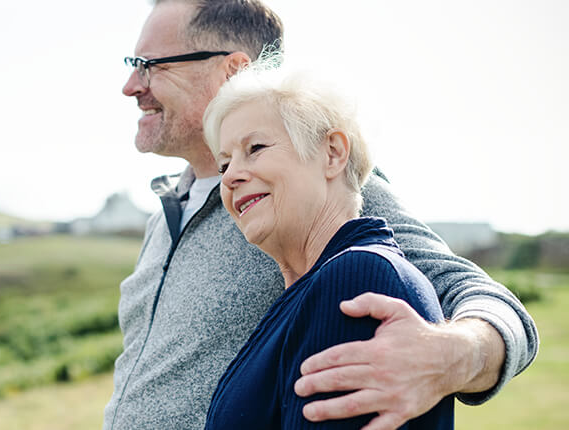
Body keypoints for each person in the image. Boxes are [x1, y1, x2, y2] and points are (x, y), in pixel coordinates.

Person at [104, 1, 538, 429]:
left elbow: (481, 298)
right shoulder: (164, 214)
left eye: (150, 65)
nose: (130, 85)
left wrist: (452, 355)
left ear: (234, 70)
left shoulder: (315, 188)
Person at [202, 58, 453, 429]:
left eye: (255, 148)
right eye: (224, 165)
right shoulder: (309, 292)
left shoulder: (355, 279)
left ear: (333, 153)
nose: (232, 176)